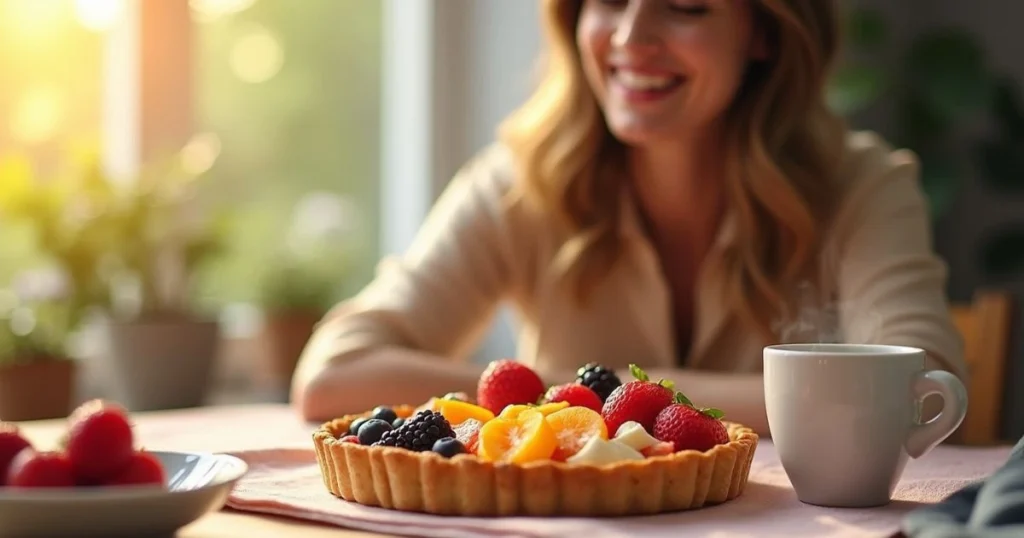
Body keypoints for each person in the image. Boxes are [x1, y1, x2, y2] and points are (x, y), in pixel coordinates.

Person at [291, 0, 967, 435]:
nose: (631, 37)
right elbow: (331, 378)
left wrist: (603, 391)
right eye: (608, 0)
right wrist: (569, 399)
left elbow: (920, 395)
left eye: (684, 6)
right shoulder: (521, 180)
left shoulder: (862, 185)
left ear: (762, 31)